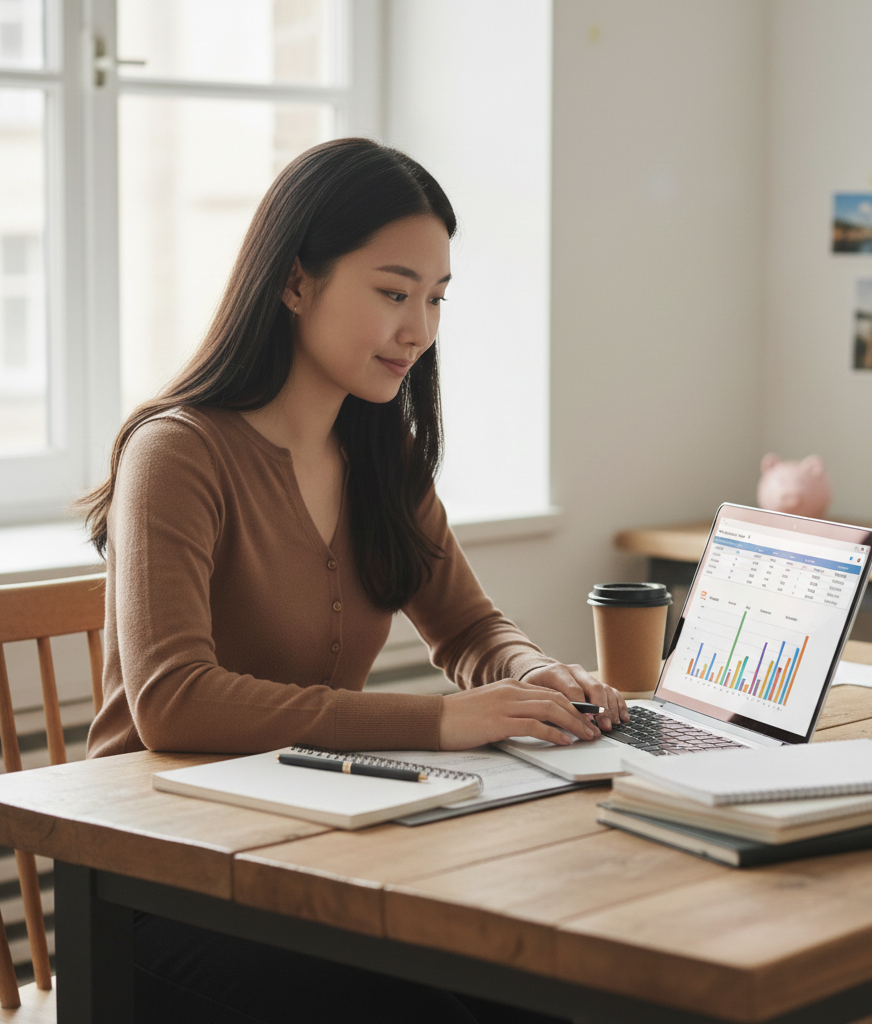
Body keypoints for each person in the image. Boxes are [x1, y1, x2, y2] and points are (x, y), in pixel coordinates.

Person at [78, 138, 627, 1024]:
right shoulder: (177, 452)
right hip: (156, 886)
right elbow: (174, 700)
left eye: (437, 299)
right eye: (392, 292)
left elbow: (470, 629)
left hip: (308, 853)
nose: (420, 328)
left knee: (555, 992)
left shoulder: (381, 452)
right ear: (297, 283)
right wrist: (441, 721)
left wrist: (529, 673)